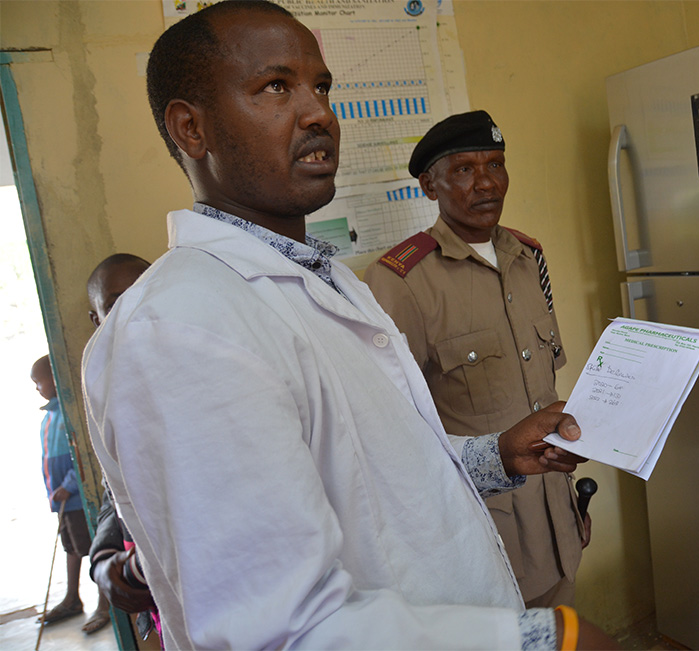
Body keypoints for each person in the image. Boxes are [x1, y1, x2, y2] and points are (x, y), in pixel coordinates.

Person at [81, 2, 616, 649]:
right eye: (275, 87)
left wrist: (495, 454)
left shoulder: (327, 281)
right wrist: (542, 640)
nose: (319, 113)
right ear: (191, 128)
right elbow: (281, 629)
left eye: (322, 87)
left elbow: (374, 471)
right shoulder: (181, 328)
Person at [365, 110, 587, 608]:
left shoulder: (528, 257)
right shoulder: (401, 280)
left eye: (495, 165)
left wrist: (571, 512)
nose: (486, 183)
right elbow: (389, 429)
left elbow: (540, 392)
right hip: (486, 536)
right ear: (430, 185)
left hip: (557, 521)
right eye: (464, 169)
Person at [85, 254, 160, 644]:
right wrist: (103, 559)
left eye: (144, 293)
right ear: (96, 319)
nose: (133, 309)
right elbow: (113, 491)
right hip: (161, 600)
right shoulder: (106, 389)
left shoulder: (204, 365)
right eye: (115, 304)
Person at [31, 354, 111, 634]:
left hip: (77, 498)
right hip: (63, 501)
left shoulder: (70, 413)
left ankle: (105, 604)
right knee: (71, 548)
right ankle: (72, 599)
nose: (36, 388)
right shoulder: (49, 417)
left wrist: (69, 485)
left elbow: (82, 455)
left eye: (38, 382)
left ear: (55, 379)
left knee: (94, 550)